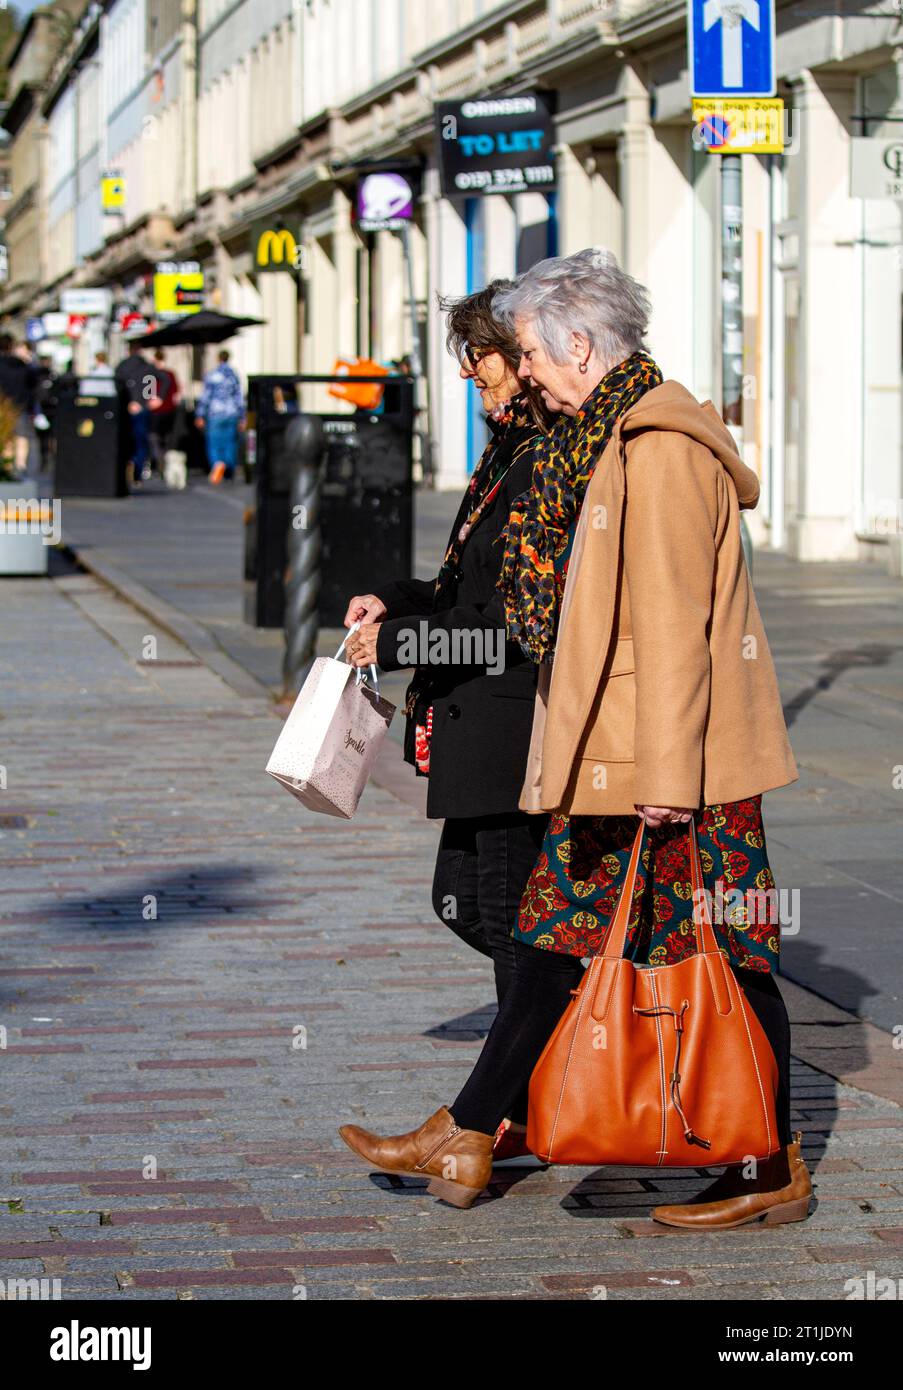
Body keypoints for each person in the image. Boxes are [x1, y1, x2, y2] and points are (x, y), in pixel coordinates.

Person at [339, 249, 812, 1229]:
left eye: (526, 353)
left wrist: (669, 772)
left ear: (581, 346)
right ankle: (475, 1123)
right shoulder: (603, 435)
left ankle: (771, 1163)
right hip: (618, 751)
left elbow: (677, 625)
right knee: (553, 936)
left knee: (732, 947)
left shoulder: (660, 446)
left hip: (682, 760)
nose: (522, 372)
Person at [342, 282, 553, 1166]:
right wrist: (393, 600)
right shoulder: (505, 454)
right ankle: (523, 1103)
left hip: (511, 725)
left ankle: (488, 1123)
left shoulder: (545, 462)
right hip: (473, 726)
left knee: (511, 922)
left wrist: (403, 639)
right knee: (465, 906)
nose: (476, 383)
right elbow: (466, 589)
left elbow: (516, 626)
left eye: (484, 364)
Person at [195, 348, 245, 483]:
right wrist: (242, 417)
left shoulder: (212, 375)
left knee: (215, 443)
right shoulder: (233, 375)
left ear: (218, 358)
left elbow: (206, 396)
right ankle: (228, 468)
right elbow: (238, 397)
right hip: (231, 412)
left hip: (215, 413)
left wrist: (200, 414)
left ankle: (218, 463)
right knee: (230, 443)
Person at [114, 341, 154, 485]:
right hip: (142, 408)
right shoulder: (147, 367)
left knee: (124, 440)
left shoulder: (122, 366)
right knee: (140, 442)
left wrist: (129, 402)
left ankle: (126, 467)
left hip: (126, 408)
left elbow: (118, 387)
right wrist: (143, 402)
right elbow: (150, 387)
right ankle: (138, 472)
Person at [0, 334, 39, 477]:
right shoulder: (23, 366)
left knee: (7, 438)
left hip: (3, 408)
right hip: (21, 406)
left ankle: (8, 467)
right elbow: (34, 384)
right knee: (22, 437)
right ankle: (21, 465)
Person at [147, 349, 180, 473]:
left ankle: (158, 458)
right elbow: (176, 393)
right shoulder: (171, 374)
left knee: (154, 436)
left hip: (155, 411)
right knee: (166, 436)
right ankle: (164, 458)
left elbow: (147, 394)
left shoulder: (150, 375)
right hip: (169, 410)